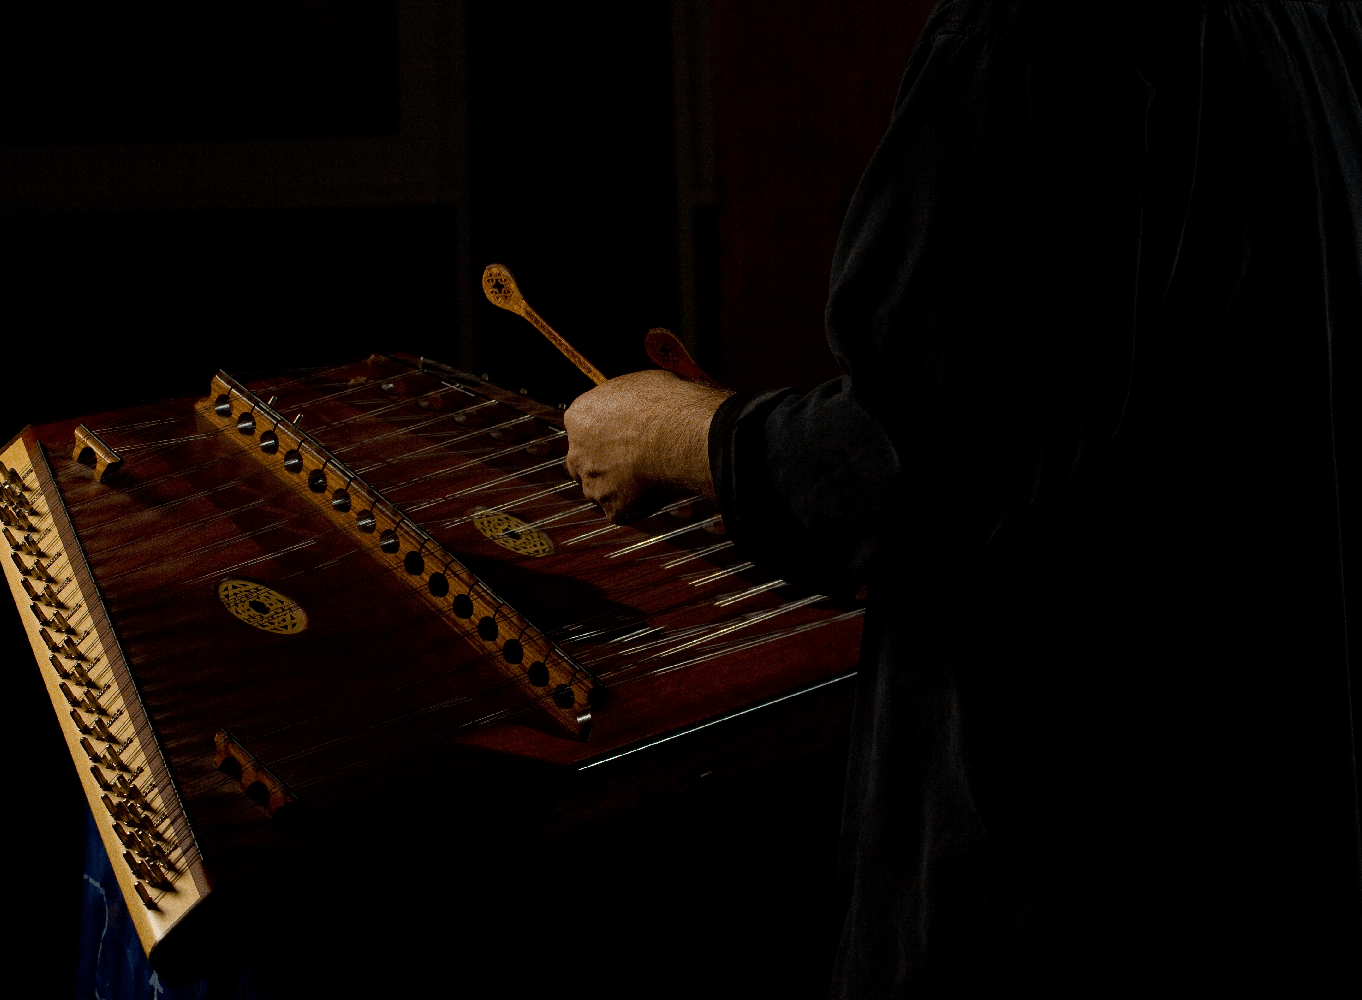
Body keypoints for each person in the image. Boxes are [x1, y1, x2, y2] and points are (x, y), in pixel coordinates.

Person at [563, 1, 1361, 995]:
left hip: (1073, 856)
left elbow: (928, 452)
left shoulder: (1031, 32)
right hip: (1270, 819)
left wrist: (677, 434)